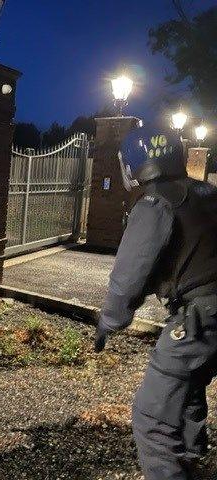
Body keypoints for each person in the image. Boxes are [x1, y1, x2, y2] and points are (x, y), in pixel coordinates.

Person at [95, 125, 217, 480]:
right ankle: (193, 460)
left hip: (200, 317)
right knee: (190, 389)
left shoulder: (156, 203)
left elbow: (130, 275)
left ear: (134, 163)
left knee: (152, 420)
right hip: (210, 319)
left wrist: (110, 320)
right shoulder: (206, 193)